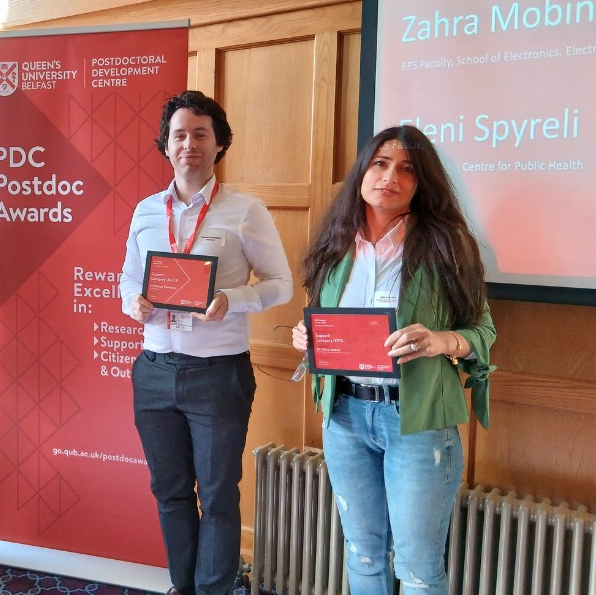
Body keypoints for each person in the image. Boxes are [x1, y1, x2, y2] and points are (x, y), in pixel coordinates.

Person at [291, 125, 496, 595]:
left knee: (419, 567)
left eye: (406, 169)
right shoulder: (335, 243)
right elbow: (325, 322)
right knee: (362, 554)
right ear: (363, 169)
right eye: (380, 163)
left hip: (417, 420)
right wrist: (309, 336)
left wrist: (441, 341)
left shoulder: (448, 244)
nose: (390, 176)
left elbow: (482, 333)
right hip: (344, 416)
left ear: (422, 183)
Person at [119, 90, 293, 595]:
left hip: (217, 373)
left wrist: (232, 299)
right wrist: (134, 302)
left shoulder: (245, 210)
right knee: (170, 492)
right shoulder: (147, 210)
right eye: (179, 135)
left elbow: (280, 283)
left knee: (217, 496)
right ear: (166, 145)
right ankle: (183, 585)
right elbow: (128, 278)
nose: (189, 143)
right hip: (153, 371)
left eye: (200, 134)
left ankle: (213, 589)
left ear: (218, 145)